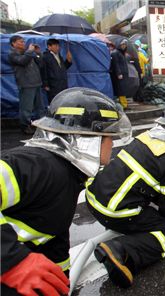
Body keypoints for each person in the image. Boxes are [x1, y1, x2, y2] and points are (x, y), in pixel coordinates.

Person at [1, 87, 130, 296]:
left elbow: (54, 235)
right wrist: (11, 261)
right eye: (109, 137)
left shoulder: (69, 174)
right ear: (88, 139)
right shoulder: (37, 165)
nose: (113, 143)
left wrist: (61, 282)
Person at [86, 100, 165, 288]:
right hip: (116, 211)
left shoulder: (147, 138)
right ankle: (121, 250)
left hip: (95, 198)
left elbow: (147, 180)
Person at [8, 35, 46, 135]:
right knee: (26, 107)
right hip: (26, 84)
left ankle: (41, 125)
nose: (23, 43)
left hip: (36, 82)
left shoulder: (27, 53)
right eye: (20, 42)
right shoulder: (12, 54)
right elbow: (23, 61)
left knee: (40, 107)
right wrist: (29, 51)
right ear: (13, 43)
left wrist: (38, 53)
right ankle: (25, 126)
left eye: (23, 41)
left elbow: (40, 63)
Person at [41, 39, 73, 103]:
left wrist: (68, 61)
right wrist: (45, 84)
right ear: (49, 47)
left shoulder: (59, 56)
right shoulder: (46, 57)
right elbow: (44, 71)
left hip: (62, 83)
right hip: (53, 84)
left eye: (58, 46)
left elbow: (63, 68)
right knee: (54, 101)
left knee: (63, 100)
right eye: (55, 46)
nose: (58, 48)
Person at [109, 41, 130, 109]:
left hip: (123, 74)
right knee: (121, 90)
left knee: (123, 90)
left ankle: (124, 104)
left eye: (125, 45)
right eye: (122, 45)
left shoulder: (121, 53)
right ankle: (124, 105)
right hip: (120, 75)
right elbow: (116, 64)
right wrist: (119, 73)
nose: (124, 46)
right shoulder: (115, 53)